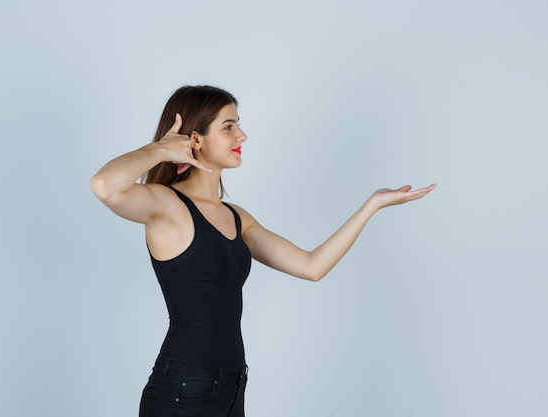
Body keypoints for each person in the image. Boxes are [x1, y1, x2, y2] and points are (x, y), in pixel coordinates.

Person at [90, 85, 436, 417]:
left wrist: (372, 205)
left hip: (231, 387)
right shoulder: (167, 206)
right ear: (195, 139)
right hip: (183, 388)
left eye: (238, 125)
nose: (242, 136)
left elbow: (311, 266)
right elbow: (104, 185)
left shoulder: (237, 218)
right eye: (229, 127)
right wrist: (161, 150)